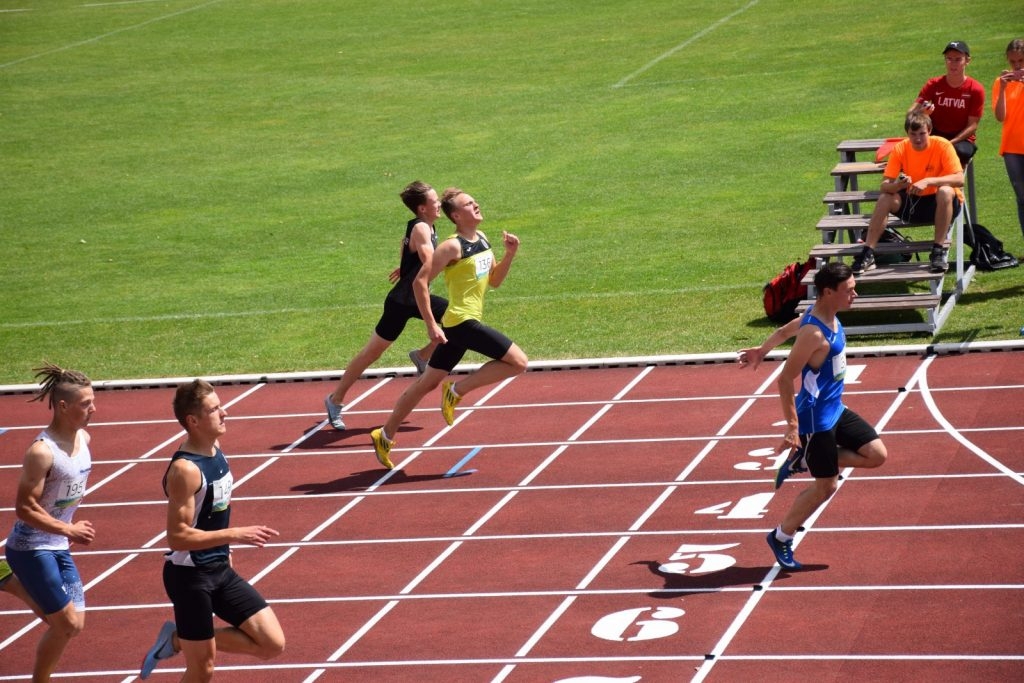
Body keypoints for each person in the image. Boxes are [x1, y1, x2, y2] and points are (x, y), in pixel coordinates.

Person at [740, 263, 887, 570]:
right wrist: (792, 428)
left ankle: (804, 460)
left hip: (836, 410)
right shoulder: (814, 333)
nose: (855, 295)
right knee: (826, 486)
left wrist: (761, 350)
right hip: (815, 420)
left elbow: (783, 331)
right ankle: (781, 536)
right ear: (828, 292)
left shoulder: (822, 316)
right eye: (849, 290)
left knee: (876, 455)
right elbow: (784, 379)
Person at [370, 188, 528, 469]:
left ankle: (384, 435)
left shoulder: (481, 239)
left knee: (425, 384)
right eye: (469, 204)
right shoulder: (451, 246)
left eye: (474, 201)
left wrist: (510, 254)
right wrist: (431, 325)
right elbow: (420, 282)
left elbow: (494, 280)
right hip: (460, 322)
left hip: (462, 323)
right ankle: (456, 391)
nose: (476, 204)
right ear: (456, 215)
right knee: (518, 362)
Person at [140, 379, 285, 680]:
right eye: (215, 409)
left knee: (272, 643)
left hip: (219, 567)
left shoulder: (214, 447)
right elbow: (177, 536)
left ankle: (180, 639)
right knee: (202, 668)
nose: (225, 413)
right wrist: (234, 535)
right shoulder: (185, 470)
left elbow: (212, 511)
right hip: (190, 577)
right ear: (193, 421)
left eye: (221, 406)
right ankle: (190, 643)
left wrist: (225, 547)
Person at [324, 181, 449, 430]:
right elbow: (427, 262)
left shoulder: (426, 227)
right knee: (372, 353)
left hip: (413, 298)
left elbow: (407, 250)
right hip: (402, 302)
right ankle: (335, 400)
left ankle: (422, 355)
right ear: (423, 208)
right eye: (435, 202)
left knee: (456, 316)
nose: (439, 205)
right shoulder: (423, 229)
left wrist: (403, 267)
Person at [3, 363, 96, 682]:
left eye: (92, 401)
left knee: (75, 624)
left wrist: (65, 530)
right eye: (85, 404)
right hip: (31, 547)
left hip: (59, 545)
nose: (93, 409)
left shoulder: (83, 438)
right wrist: (69, 528)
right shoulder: (42, 452)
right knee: (65, 624)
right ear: (62, 406)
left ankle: (9, 582)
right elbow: (24, 508)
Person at [851, 112, 964, 275]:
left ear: (929, 131)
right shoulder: (901, 148)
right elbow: (885, 186)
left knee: (946, 191)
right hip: (912, 204)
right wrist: (898, 185)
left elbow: (960, 179)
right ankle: (868, 253)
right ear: (907, 134)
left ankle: (938, 251)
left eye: (922, 134)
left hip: (941, 204)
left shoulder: (943, 145)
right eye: (913, 134)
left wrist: (929, 181)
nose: (918, 139)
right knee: (884, 198)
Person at [909, 40, 985, 168]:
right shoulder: (933, 84)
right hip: (935, 134)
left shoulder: (975, 89)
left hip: (961, 139)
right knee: (912, 148)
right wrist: (923, 114)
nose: (952, 64)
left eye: (957, 59)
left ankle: (950, 181)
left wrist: (950, 143)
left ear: (967, 61)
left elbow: (972, 126)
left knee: (960, 151)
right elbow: (910, 113)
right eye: (949, 59)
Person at [993, 38, 1024, 241]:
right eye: (1013, 62)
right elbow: (1000, 116)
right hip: (1012, 147)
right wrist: (1003, 88)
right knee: (1022, 198)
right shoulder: (1000, 83)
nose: (1018, 66)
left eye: (1021, 61)